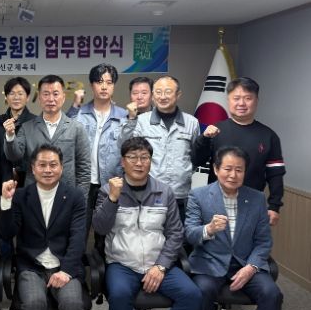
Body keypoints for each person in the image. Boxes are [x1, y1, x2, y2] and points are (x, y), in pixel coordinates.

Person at [93, 137, 201, 310]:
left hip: (158, 262)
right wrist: (112, 199)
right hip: (122, 263)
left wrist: (161, 266)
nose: (139, 163)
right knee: (119, 295)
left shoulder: (165, 191)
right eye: (132, 157)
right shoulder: (108, 190)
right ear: (123, 162)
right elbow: (99, 228)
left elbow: (176, 233)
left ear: (151, 161)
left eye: (144, 158)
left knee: (192, 295)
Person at [185, 146, 283, 310]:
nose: (233, 175)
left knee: (273, 294)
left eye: (239, 170)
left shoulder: (257, 198)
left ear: (245, 172)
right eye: (227, 168)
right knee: (202, 291)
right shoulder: (199, 195)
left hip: (246, 263)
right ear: (216, 169)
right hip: (209, 261)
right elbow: (189, 234)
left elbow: (263, 241)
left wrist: (251, 267)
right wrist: (208, 229)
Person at [0, 144, 89, 310]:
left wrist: (66, 271)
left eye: (53, 164)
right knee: (34, 303)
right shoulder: (21, 196)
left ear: (61, 167)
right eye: (42, 165)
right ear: (33, 168)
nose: (48, 170)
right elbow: (6, 233)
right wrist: (6, 202)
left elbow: (78, 238)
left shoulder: (74, 196)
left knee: (72, 303)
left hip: (64, 266)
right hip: (31, 265)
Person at [194, 77, 286, 226]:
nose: (241, 103)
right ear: (228, 100)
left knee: (251, 241)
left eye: (248, 98)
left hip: (252, 207)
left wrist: (274, 206)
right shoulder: (215, 130)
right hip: (215, 206)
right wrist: (203, 139)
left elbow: (275, 175)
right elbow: (196, 161)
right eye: (236, 98)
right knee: (212, 240)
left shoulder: (269, 136)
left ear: (256, 100)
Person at [120, 75, 201, 221]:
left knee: (179, 234)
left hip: (180, 194)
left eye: (168, 92)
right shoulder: (141, 121)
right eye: (158, 92)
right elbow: (124, 148)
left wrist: (184, 171)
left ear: (178, 94)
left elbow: (195, 157)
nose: (162, 97)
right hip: (149, 193)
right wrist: (131, 120)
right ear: (153, 95)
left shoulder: (192, 123)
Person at [4, 74, 90, 196]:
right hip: (33, 195)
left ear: (63, 97)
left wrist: (80, 201)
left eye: (55, 94)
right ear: (39, 98)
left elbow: (84, 170)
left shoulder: (76, 128)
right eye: (46, 94)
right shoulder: (27, 127)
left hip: (66, 196)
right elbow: (14, 156)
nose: (51, 99)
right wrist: (10, 136)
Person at [70, 64, 127, 238]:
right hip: (83, 182)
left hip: (111, 182)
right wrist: (75, 106)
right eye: (99, 82)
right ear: (91, 85)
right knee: (79, 229)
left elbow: (129, 149)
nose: (104, 87)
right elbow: (65, 132)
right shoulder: (79, 113)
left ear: (114, 86)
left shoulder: (124, 116)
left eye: (109, 82)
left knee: (107, 232)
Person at [0, 77, 36, 185]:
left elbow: (37, 154)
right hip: (1, 178)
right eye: (12, 93)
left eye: (20, 93)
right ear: (6, 97)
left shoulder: (36, 122)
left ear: (28, 97)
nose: (16, 97)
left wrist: (17, 169)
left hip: (28, 179)